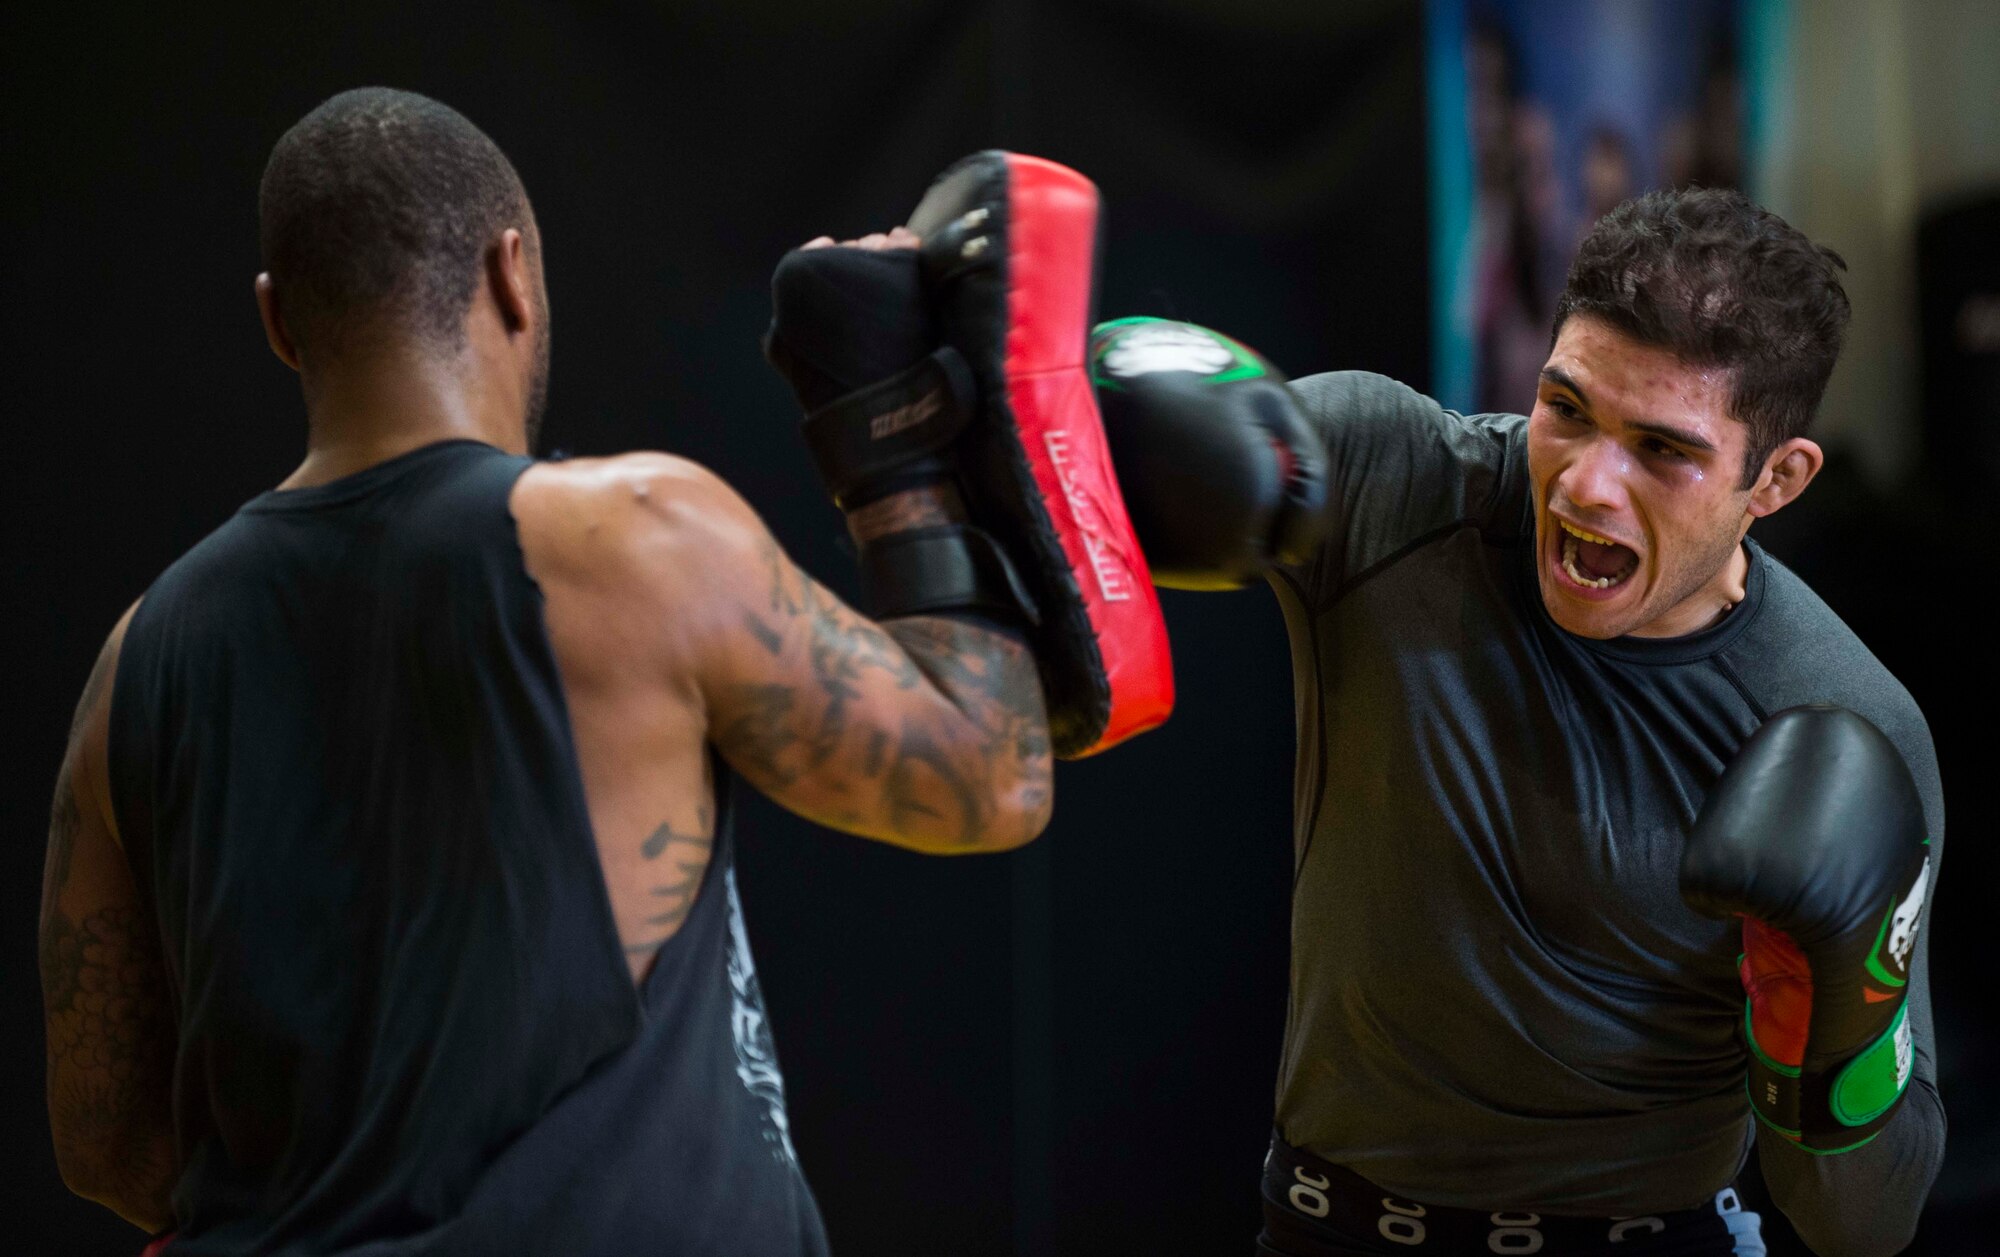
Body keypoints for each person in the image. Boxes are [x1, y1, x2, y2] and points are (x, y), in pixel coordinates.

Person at [37, 88, 1073, 1254]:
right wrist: (889, 437)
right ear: (510, 274)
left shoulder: (135, 659)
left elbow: (108, 1144)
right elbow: (992, 773)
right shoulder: (630, 535)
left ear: (279, 322)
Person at [1092, 188, 1943, 1256]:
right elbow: (1094, 424)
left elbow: (1864, 1223)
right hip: (1323, 1228)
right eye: (1567, 408)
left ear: (1773, 479)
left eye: (1661, 450)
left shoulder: (1835, 720)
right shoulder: (1393, 492)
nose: (1586, 483)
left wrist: (1821, 1032)